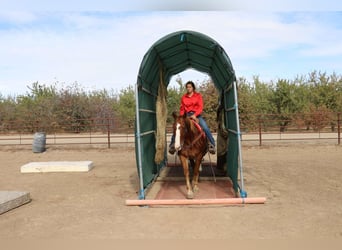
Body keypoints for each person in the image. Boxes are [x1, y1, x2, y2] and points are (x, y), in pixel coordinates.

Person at [169, 81, 216, 154]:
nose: (188, 88)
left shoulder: (198, 96)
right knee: (178, 127)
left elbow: (200, 107)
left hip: (196, 115)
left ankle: (211, 144)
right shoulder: (184, 97)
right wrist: (181, 118)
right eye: (187, 87)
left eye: (190, 87)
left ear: (193, 88)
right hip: (186, 115)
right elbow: (182, 109)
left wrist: (195, 115)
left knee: (205, 127)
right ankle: (172, 144)